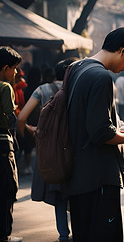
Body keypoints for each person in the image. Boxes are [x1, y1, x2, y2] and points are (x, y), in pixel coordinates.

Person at [66, 27, 124, 242]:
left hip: (79, 175)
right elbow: (100, 132)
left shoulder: (77, 68)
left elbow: (89, 119)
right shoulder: (102, 78)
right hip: (98, 177)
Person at [17, 58, 77, 242]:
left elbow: (21, 118)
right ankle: (80, 231)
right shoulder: (78, 89)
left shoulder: (42, 90)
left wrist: (31, 132)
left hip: (51, 150)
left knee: (58, 194)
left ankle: (63, 235)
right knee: (76, 193)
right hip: (75, 149)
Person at [0, 46, 23, 242]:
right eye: (14, 68)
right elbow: (10, 118)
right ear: (5, 67)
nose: (15, 73)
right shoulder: (5, 87)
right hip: (2, 147)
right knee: (7, 190)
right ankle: (4, 234)